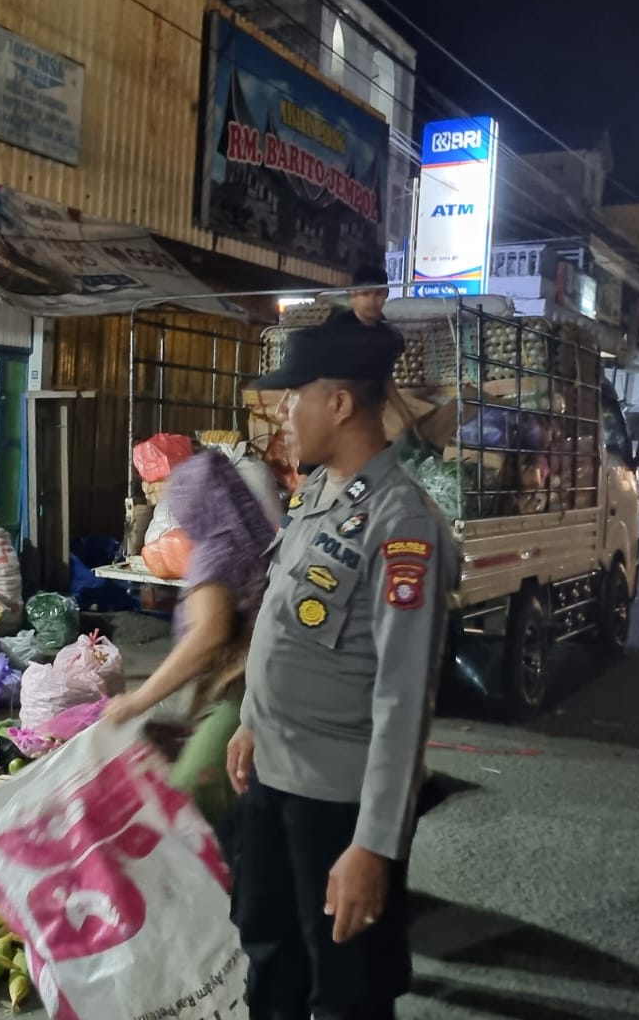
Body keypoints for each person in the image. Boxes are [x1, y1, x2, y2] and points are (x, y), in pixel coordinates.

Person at [226, 322, 458, 1020]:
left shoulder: (402, 523)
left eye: (293, 395)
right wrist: (250, 720)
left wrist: (374, 846)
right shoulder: (317, 495)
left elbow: (404, 698)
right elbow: (283, 623)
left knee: (346, 993)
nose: (282, 411)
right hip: (272, 778)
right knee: (269, 958)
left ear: (338, 403)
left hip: (338, 804)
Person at [103, 451, 276, 828]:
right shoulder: (259, 539)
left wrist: (137, 700)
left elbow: (207, 637)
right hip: (268, 689)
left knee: (189, 802)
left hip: (237, 696)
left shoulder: (216, 552)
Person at [331, 263, 396, 329]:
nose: (372, 301)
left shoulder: (389, 331)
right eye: (365, 294)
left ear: (386, 293)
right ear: (352, 293)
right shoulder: (337, 329)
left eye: (378, 294)